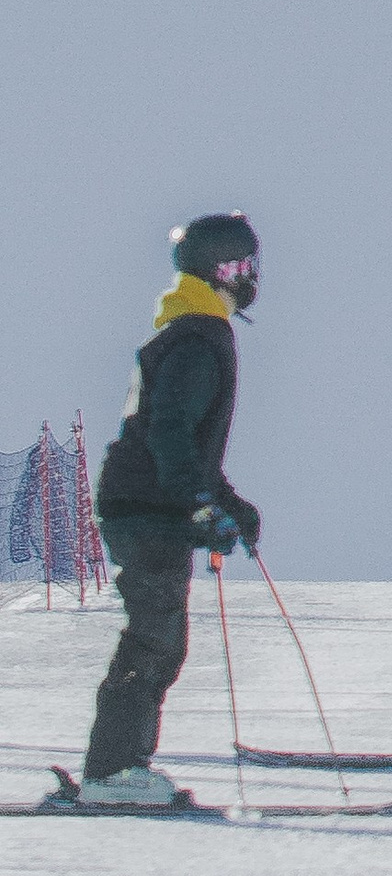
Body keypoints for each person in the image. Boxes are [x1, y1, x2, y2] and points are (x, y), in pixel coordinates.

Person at [79, 213, 264, 807]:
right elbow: (170, 432)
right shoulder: (196, 336)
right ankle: (111, 773)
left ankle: (120, 768)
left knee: (161, 636)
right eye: (246, 266)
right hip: (148, 506)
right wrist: (201, 503)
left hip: (150, 503)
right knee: (155, 636)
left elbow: (189, 443)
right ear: (223, 269)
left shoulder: (190, 329)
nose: (253, 278)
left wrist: (226, 501)